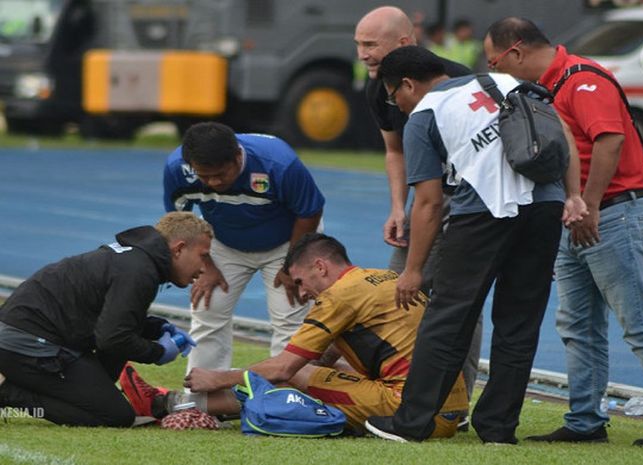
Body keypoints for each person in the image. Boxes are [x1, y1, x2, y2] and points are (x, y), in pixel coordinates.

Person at [483, 17, 643, 447]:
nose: (497, 72)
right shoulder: (554, 84)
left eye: (495, 62)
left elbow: (609, 140)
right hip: (579, 214)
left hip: (611, 213)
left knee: (636, 319)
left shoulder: (582, 80)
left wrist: (590, 205)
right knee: (577, 324)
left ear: (516, 52)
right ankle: (585, 420)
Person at [364, 45, 586, 444]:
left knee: (448, 317)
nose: (394, 104)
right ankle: (499, 428)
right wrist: (573, 195)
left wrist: (413, 271)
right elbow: (563, 134)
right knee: (520, 322)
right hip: (545, 207)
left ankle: (412, 422)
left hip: (482, 214)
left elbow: (430, 204)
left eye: (392, 94)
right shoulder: (509, 82)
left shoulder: (424, 116)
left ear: (408, 85)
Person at [121, 233, 469, 437]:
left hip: (410, 415)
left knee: (296, 375)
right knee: (314, 373)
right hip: (447, 408)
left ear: (320, 267)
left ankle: (167, 404)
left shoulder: (338, 295)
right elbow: (333, 352)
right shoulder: (381, 278)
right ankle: (179, 404)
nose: (302, 294)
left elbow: (287, 368)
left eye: (301, 282)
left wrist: (218, 377)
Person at [354, 5, 483, 411]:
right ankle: (396, 387)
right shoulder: (378, 86)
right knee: (398, 291)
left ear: (404, 43)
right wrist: (398, 208)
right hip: (424, 198)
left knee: (456, 297)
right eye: (358, 44)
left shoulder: (459, 80)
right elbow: (395, 151)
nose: (362, 54)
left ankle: (456, 400)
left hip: (469, 198)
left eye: (371, 44)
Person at [0, 212, 212, 427]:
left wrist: (158, 328)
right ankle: (8, 392)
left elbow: (113, 318)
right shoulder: (140, 270)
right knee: (115, 416)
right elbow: (112, 339)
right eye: (203, 256)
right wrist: (158, 353)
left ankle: (94, 394)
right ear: (179, 249)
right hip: (26, 345)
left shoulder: (138, 260)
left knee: (109, 380)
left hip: (29, 335)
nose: (204, 268)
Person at [163, 122, 325, 373]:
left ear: (238, 156)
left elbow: (309, 213)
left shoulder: (279, 163)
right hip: (223, 242)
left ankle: (286, 400)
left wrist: (292, 263)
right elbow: (179, 224)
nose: (214, 182)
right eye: (204, 176)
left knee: (289, 318)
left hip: (288, 242)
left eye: (220, 174)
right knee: (208, 311)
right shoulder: (177, 169)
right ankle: (202, 401)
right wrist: (205, 265)